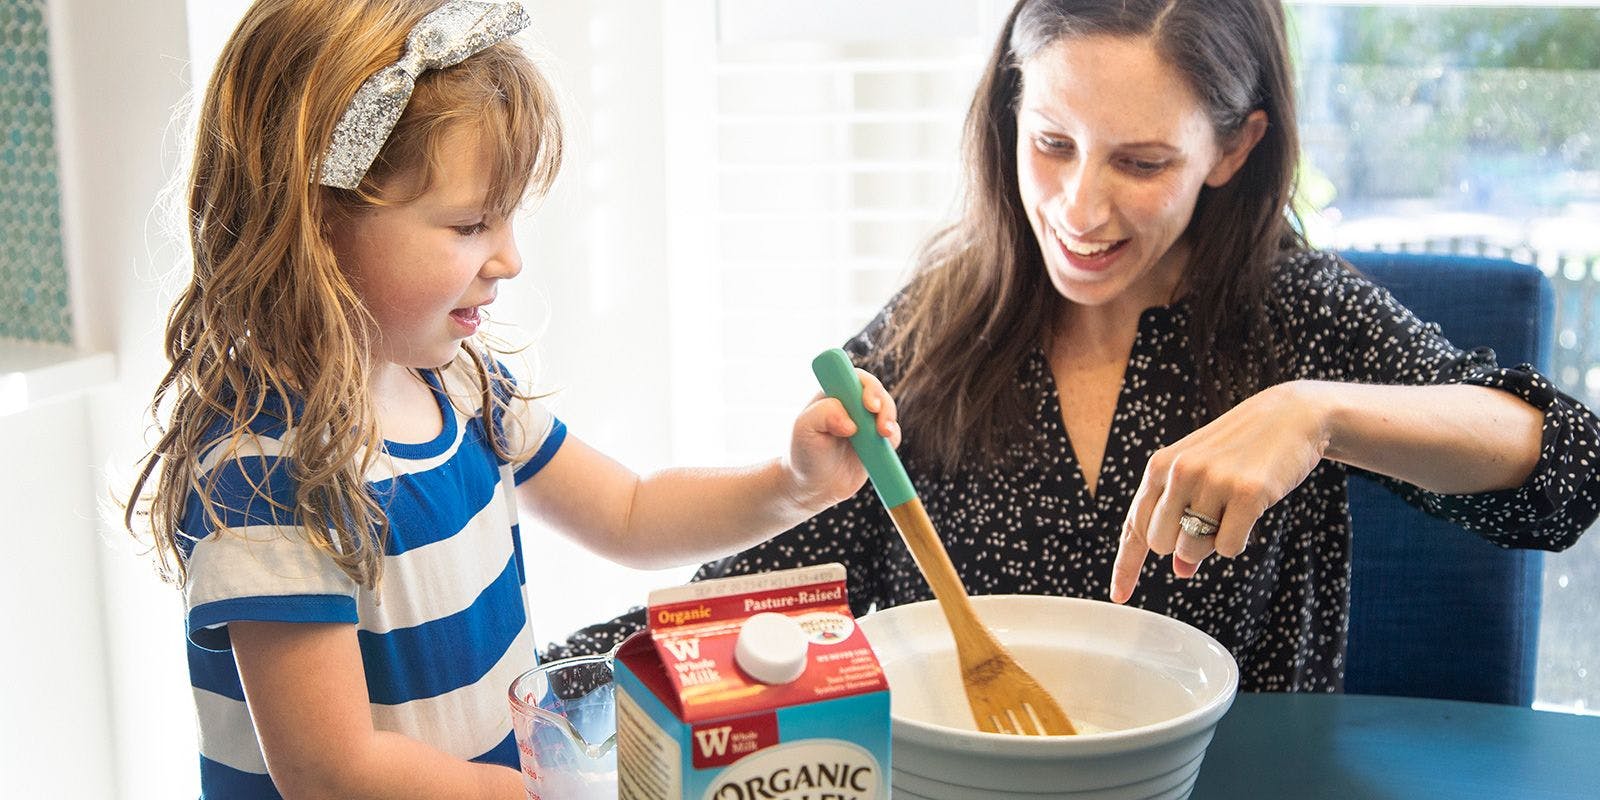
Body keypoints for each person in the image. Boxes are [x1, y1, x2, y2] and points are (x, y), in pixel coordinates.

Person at [548, 0, 1600, 696]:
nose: (1078, 207)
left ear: (1234, 147)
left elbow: (1567, 470)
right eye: (1050, 143)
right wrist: (535, 696)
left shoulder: (1294, 314)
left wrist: (1318, 412)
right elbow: (754, 589)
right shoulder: (937, 331)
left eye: (1140, 161)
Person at [122, 1, 900, 798]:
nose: (510, 259)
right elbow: (333, 771)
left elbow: (629, 512)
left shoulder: (459, 384)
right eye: (470, 225)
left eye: (509, 218)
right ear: (318, 225)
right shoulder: (266, 469)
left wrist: (791, 484)